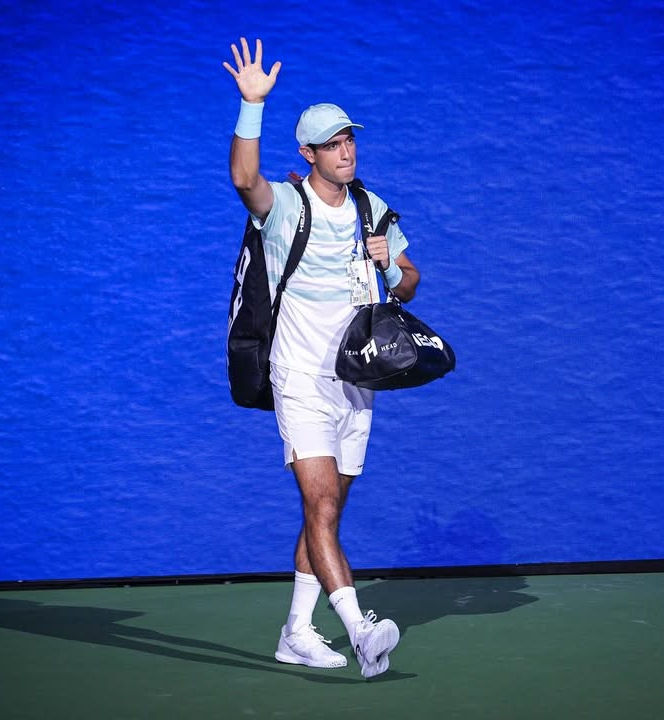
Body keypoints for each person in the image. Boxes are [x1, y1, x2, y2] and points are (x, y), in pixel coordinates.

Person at [223, 37, 420, 679]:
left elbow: (411, 280)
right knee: (323, 506)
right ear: (308, 154)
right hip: (300, 376)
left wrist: (393, 267)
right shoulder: (284, 207)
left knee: (327, 511)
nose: (346, 152)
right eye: (332, 145)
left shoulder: (372, 208)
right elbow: (244, 179)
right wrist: (252, 105)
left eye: (349, 141)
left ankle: (296, 632)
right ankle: (362, 632)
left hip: (357, 383)